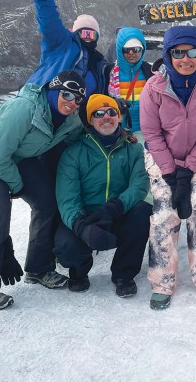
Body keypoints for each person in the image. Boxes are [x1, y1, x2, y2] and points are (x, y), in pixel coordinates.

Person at [0, 70, 87, 311]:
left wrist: (121, 137)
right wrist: (15, 186)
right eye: (66, 94)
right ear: (52, 90)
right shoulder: (25, 109)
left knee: (48, 202)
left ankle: (39, 268)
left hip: (17, 155)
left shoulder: (71, 120)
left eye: (78, 98)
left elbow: (85, 138)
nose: (72, 102)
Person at [140, 25, 196, 310]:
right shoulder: (153, 88)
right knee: (165, 212)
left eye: (192, 52)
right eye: (178, 52)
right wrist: (170, 174)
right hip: (161, 157)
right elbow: (151, 135)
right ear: (168, 54)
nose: (185, 59)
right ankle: (162, 281)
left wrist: (188, 171)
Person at [54, 94, 151, 295]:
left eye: (111, 112)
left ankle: (123, 274)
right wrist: (82, 227)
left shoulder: (133, 148)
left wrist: (115, 207)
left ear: (119, 117)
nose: (106, 117)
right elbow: (67, 197)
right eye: (98, 113)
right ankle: (79, 272)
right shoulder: (74, 152)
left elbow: (139, 184)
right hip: (86, 215)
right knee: (66, 243)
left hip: (117, 210)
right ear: (90, 119)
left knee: (143, 211)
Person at [18, 0, 111, 120]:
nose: (87, 37)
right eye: (83, 32)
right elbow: (48, 18)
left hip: (77, 124)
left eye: (92, 33)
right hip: (42, 113)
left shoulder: (99, 63)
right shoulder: (61, 43)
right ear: (73, 32)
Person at [108, 27, 152, 134]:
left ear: (142, 49)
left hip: (145, 130)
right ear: (120, 49)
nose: (131, 53)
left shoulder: (149, 71)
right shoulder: (109, 72)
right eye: (127, 50)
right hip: (118, 130)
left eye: (136, 49)